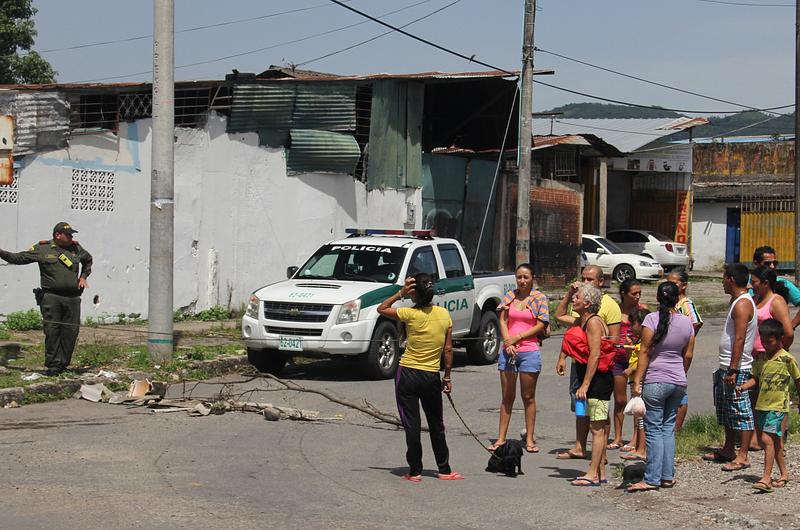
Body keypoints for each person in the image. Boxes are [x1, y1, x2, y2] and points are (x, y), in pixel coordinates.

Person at [377, 273, 463, 482]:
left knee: (411, 424)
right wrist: (448, 377)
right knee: (436, 423)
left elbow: (381, 308)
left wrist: (400, 292)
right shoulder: (444, 315)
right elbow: (448, 349)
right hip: (431, 376)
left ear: (415, 293)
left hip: (407, 374)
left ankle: (414, 471)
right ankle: (444, 469)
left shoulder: (409, 314)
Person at [627, 282, 695, 492]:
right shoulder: (686, 322)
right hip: (678, 381)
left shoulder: (651, 319)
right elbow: (688, 354)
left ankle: (652, 478)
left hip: (656, 380)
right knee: (668, 430)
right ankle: (667, 475)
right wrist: (681, 373)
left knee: (654, 430)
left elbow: (645, 352)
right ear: (677, 298)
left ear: (657, 299)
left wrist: (638, 381)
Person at [0, 222, 92, 375]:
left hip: (73, 298)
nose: (71, 237)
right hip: (52, 297)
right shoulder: (43, 248)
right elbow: (18, 258)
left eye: (71, 235)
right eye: (68, 234)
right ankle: (53, 366)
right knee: (53, 331)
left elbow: (88, 260)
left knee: (71, 332)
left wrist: (83, 277)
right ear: (58, 235)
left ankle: (63, 364)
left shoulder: (76, 248)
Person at [555, 265, 621, 460]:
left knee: (598, 416)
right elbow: (560, 317)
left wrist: (586, 383)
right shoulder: (580, 313)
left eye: (589, 280)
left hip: (598, 371)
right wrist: (563, 357)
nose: (584, 283)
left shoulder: (600, 313)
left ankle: (600, 457)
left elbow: (601, 349)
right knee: (581, 408)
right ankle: (580, 447)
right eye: (583, 278)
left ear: (600, 282)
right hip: (581, 367)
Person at [703, 264, 757, 471]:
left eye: (724, 278)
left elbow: (740, 338)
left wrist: (734, 368)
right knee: (726, 409)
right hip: (727, 364)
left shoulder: (743, 304)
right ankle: (728, 448)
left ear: (731, 279)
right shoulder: (737, 301)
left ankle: (743, 454)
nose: (722, 282)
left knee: (740, 410)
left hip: (738, 367)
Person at [736, 319, 800, 493]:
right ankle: (784, 473)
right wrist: (743, 387)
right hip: (762, 405)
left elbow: (798, 379)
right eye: (763, 342)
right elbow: (755, 378)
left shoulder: (787, 359)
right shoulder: (761, 359)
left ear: (779, 339)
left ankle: (766, 478)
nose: (765, 345)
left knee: (766, 440)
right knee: (776, 442)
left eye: (769, 342)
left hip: (778, 406)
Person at [491, 263, 549, 453]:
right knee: (507, 396)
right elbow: (503, 319)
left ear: (533, 278)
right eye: (519, 277)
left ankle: (530, 439)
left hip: (529, 350)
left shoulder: (539, 298)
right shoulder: (510, 296)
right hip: (508, 351)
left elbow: (541, 324)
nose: (522, 281)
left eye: (526, 277)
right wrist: (508, 341)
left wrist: (519, 338)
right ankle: (501, 438)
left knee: (528, 396)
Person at [747, 266, 794, 450]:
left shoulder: (777, 302)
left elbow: (788, 332)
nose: (752, 285)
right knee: (758, 399)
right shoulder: (755, 299)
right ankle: (758, 438)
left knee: (775, 400)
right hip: (757, 357)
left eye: (755, 282)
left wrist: (778, 353)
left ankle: (777, 441)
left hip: (771, 357)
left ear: (766, 283)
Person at [609, 279, 645, 451]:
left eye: (640, 293)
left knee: (637, 400)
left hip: (636, 360)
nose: (637, 297)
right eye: (634, 293)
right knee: (620, 399)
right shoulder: (615, 310)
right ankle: (617, 437)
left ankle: (635, 438)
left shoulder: (642, 311)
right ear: (623, 294)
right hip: (617, 358)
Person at [667, 269, 703, 432]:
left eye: (674, 283)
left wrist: (685, 341)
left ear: (684, 285)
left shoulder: (685, 303)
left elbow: (695, 322)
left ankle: (677, 429)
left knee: (680, 390)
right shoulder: (672, 303)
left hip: (680, 353)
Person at [621, 307, 650, 462]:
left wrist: (631, 369)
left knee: (642, 416)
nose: (631, 327)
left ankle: (641, 448)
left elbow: (644, 359)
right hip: (635, 380)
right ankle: (638, 446)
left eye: (633, 324)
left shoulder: (646, 341)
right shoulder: (638, 341)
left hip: (641, 381)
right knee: (638, 417)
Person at [750, 245, 800, 329]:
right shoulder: (745, 283)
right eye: (767, 263)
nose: (772, 266)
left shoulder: (784, 284)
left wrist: (792, 325)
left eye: (775, 263)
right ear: (756, 263)